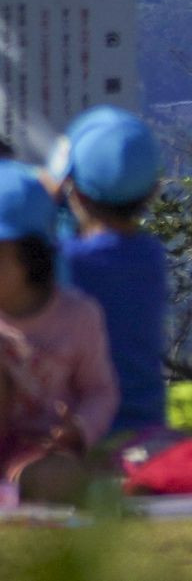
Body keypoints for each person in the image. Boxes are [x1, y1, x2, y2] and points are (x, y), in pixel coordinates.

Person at [47, 106, 165, 440]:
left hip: (82, 438)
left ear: (72, 188)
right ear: (153, 190)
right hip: (146, 433)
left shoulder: (64, 261)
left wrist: (48, 192)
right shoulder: (150, 255)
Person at [0, 163, 114, 501]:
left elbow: (100, 391)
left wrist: (79, 428)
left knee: (56, 478)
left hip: (43, 451)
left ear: (31, 257)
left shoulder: (78, 316)